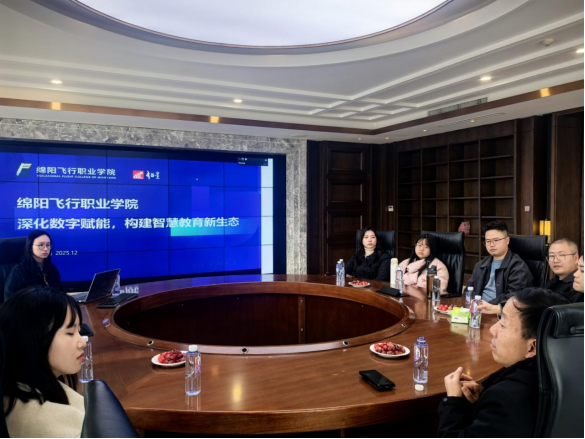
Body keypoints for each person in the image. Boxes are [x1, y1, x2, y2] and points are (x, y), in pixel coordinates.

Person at [438, 288, 570, 438]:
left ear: (532, 347)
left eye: (503, 325)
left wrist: (453, 401)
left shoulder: (506, 399)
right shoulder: (565, 373)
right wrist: (482, 400)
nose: (492, 329)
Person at [0, 286, 86, 438]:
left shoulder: (25, 388)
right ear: (33, 339)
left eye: (79, 331)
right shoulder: (47, 425)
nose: (82, 343)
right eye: (70, 333)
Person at [468, 221, 532, 314]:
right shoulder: (480, 265)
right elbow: (469, 288)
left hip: (500, 314)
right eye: (488, 241)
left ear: (507, 240)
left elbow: (514, 297)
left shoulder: (518, 267)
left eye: (496, 240)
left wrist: (486, 306)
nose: (491, 244)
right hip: (477, 311)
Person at [4, 230, 63, 301]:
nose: (46, 249)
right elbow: (11, 302)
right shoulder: (18, 272)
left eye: (48, 245)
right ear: (30, 247)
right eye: (41, 245)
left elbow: (61, 293)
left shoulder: (52, 268)